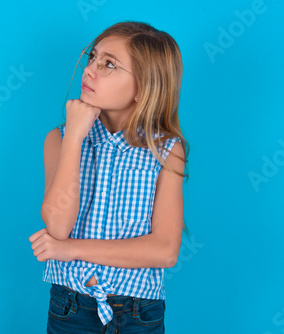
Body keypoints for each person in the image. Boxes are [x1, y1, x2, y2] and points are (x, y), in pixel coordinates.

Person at [29, 21, 189, 333]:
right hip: (69, 307)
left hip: (138, 312)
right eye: (92, 58)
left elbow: (164, 250)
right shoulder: (59, 139)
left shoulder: (166, 150)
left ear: (143, 87)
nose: (89, 70)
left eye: (109, 65)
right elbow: (58, 226)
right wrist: (75, 135)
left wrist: (71, 249)